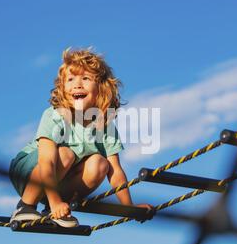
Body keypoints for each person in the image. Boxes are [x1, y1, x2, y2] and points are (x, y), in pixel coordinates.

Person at [8, 47, 153, 228]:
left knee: (101, 163)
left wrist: (129, 208)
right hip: (30, 173)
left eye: (85, 78)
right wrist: (55, 203)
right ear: (62, 89)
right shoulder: (55, 115)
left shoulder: (104, 124)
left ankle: (55, 208)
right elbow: (47, 163)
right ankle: (25, 206)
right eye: (70, 79)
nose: (77, 84)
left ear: (101, 87)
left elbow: (115, 171)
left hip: (59, 181)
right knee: (66, 154)